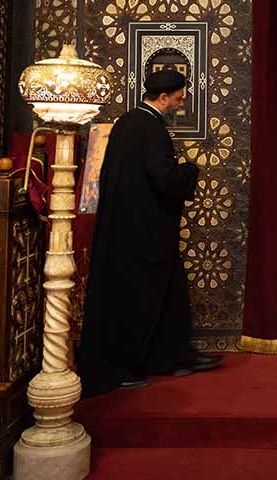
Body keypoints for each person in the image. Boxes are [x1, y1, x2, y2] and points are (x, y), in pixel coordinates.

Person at [77, 68, 221, 395]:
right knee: (139, 299)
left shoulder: (127, 123)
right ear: (164, 97)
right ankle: (125, 368)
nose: (179, 104)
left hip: (126, 229)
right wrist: (189, 170)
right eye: (178, 98)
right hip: (144, 234)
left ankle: (173, 356)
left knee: (168, 292)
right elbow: (164, 178)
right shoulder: (151, 128)